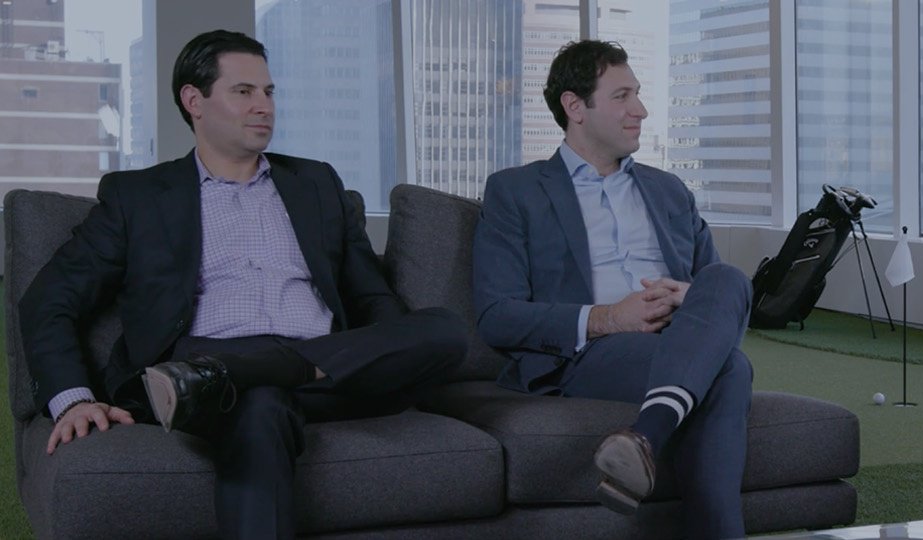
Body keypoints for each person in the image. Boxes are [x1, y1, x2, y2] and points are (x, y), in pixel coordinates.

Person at [19, 30, 467, 538]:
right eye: (244, 91)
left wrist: (381, 354)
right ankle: (233, 375)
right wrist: (73, 399)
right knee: (258, 405)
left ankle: (235, 372)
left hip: (317, 368)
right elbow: (49, 299)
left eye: (269, 92)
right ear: (195, 101)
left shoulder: (317, 183)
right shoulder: (138, 197)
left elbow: (371, 297)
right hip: (203, 365)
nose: (264, 107)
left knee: (445, 329)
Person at [472, 40, 752, 539]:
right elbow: (496, 313)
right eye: (622, 96)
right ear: (575, 107)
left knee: (728, 278)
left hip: (678, 335)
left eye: (638, 95)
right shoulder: (514, 191)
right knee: (729, 369)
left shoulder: (670, 191)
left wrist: (685, 298)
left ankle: (645, 436)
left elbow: (720, 296)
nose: (640, 110)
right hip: (591, 353)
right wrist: (608, 318)